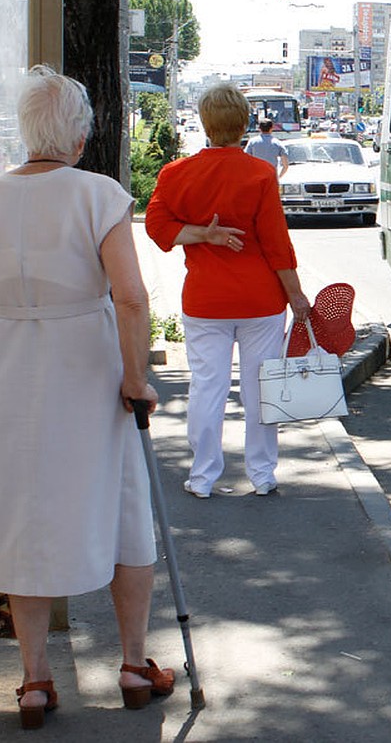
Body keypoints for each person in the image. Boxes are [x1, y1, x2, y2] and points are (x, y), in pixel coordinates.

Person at [0, 66, 174, 728]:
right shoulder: (98, 195)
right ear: (79, 137)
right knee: (123, 508)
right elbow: (131, 297)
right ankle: (134, 665)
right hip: (88, 369)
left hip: (13, 373)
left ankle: (36, 681)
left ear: (25, 132)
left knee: (20, 518)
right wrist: (135, 378)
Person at [145, 82, 311, 500]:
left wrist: (204, 234)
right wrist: (297, 297)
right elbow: (277, 245)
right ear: (244, 124)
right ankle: (262, 473)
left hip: (205, 300)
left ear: (204, 122)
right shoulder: (259, 173)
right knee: (260, 386)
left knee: (207, 386)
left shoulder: (175, 174)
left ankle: (202, 475)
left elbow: (156, 226)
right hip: (260, 301)